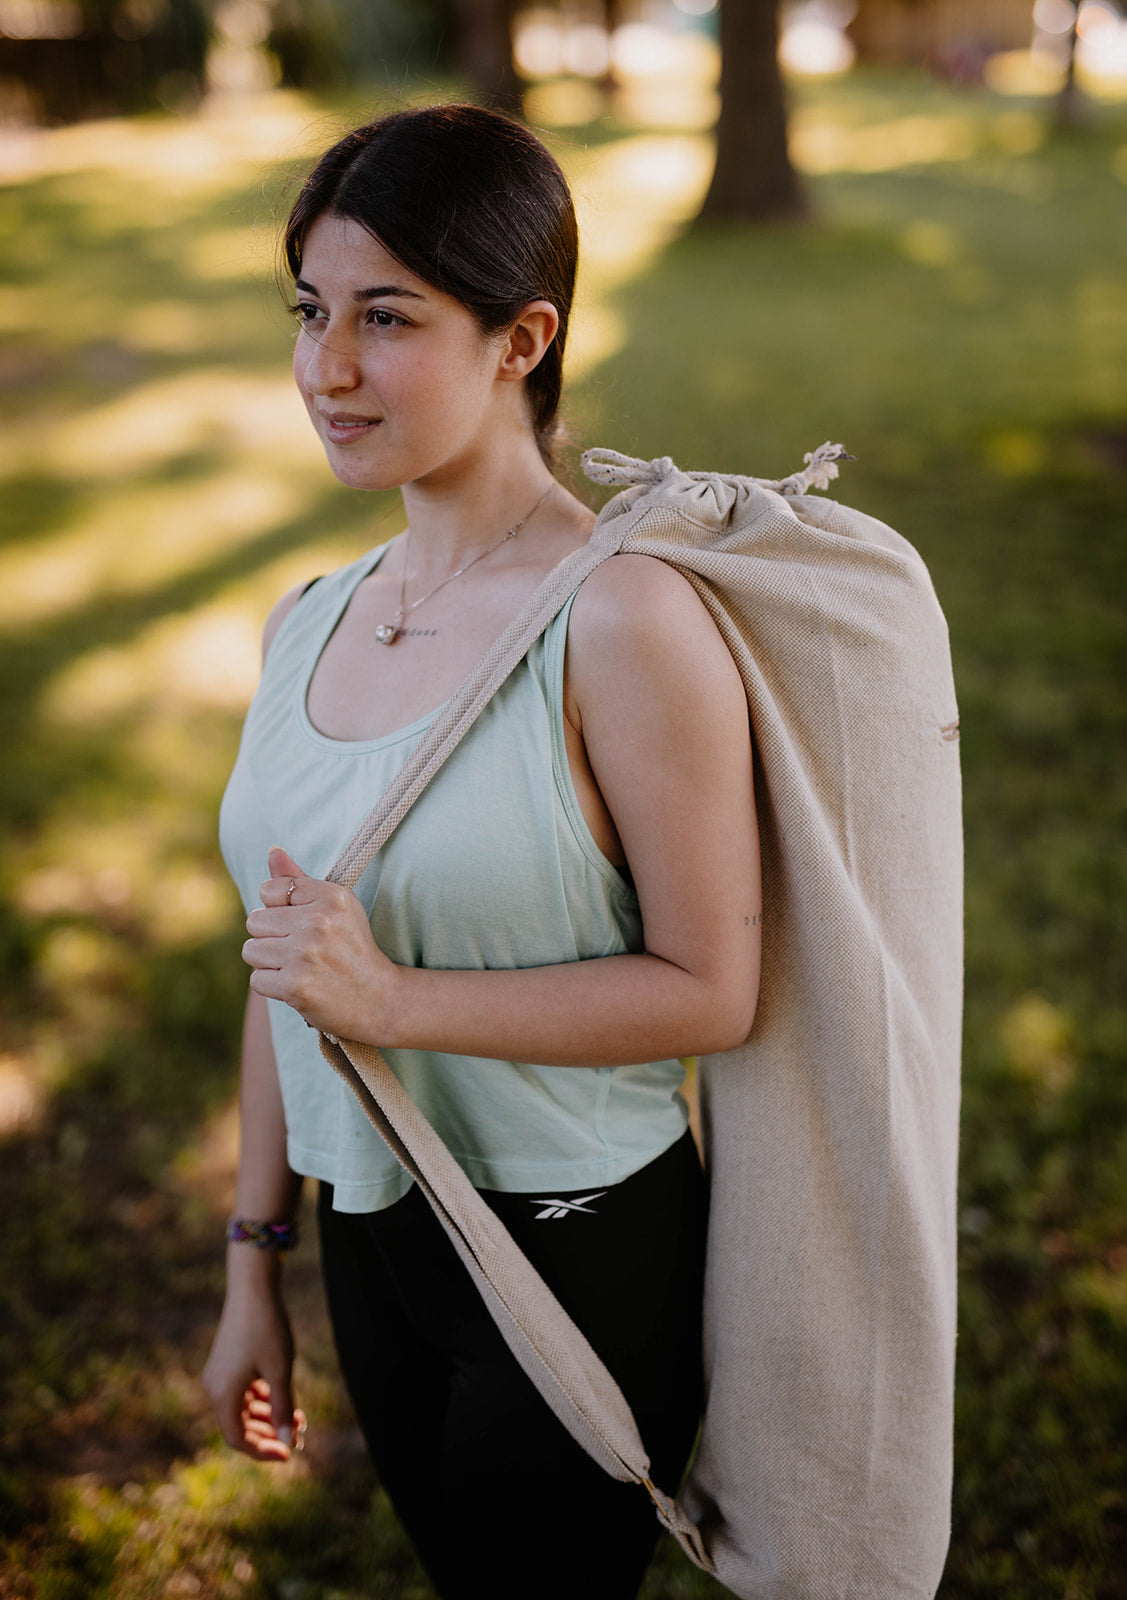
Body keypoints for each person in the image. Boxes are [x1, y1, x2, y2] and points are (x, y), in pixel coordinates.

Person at [202, 103, 761, 1600]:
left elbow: (713, 989)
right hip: (366, 1232)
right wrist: (256, 1259)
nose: (327, 370)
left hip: (572, 1247)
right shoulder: (306, 615)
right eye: (311, 312)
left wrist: (400, 1006)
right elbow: (284, 963)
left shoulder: (624, 623)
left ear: (523, 340)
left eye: (387, 319)